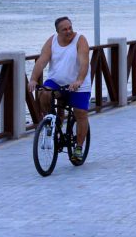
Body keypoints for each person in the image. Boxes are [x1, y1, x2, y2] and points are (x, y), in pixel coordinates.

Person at [27, 16, 91, 160]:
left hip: (78, 84)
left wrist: (79, 80)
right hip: (56, 81)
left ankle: (79, 148)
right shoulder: (52, 41)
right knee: (44, 93)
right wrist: (33, 79)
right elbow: (42, 61)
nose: (68, 31)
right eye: (64, 29)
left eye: (70, 28)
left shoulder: (80, 40)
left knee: (80, 113)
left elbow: (84, 63)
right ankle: (52, 122)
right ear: (57, 32)